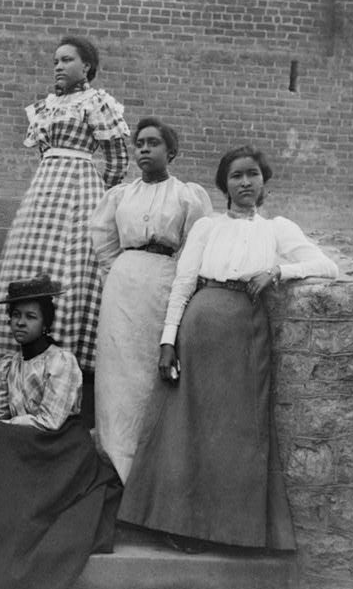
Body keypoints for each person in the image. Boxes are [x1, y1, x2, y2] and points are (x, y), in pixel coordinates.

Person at [118, 145, 338, 550]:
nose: (245, 183)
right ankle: (180, 527)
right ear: (225, 185)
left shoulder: (277, 230)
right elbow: (184, 283)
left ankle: (230, 531)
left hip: (245, 334)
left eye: (252, 174)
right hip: (200, 327)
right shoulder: (208, 227)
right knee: (187, 426)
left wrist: (279, 271)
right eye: (236, 176)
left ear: (264, 180)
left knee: (236, 431)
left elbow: (327, 266)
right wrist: (168, 341)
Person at [0, 274, 122, 589]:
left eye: (30, 316)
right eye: (15, 315)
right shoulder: (7, 366)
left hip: (59, 446)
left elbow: (50, 420)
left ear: (46, 322)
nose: (20, 323)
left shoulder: (61, 362)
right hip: (21, 442)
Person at [0, 35, 129, 424]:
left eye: (67, 60)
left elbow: (116, 159)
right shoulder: (46, 106)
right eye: (55, 61)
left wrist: (97, 192)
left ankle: (68, 347)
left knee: (74, 265)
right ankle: (28, 338)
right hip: (46, 187)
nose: (58, 66)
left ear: (87, 68)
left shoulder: (96, 103)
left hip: (79, 186)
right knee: (32, 256)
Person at [90, 117, 212, 483]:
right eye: (139, 143)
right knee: (118, 374)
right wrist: (121, 270)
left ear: (171, 152)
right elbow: (104, 239)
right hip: (123, 286)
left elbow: (196, 243)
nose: (143, 149)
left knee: (150, 373)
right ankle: (116, 468)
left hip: (163, 282)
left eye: (153, 143)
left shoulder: (186, 195)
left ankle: (149, 477)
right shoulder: (121, 195)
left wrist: (174, 276)